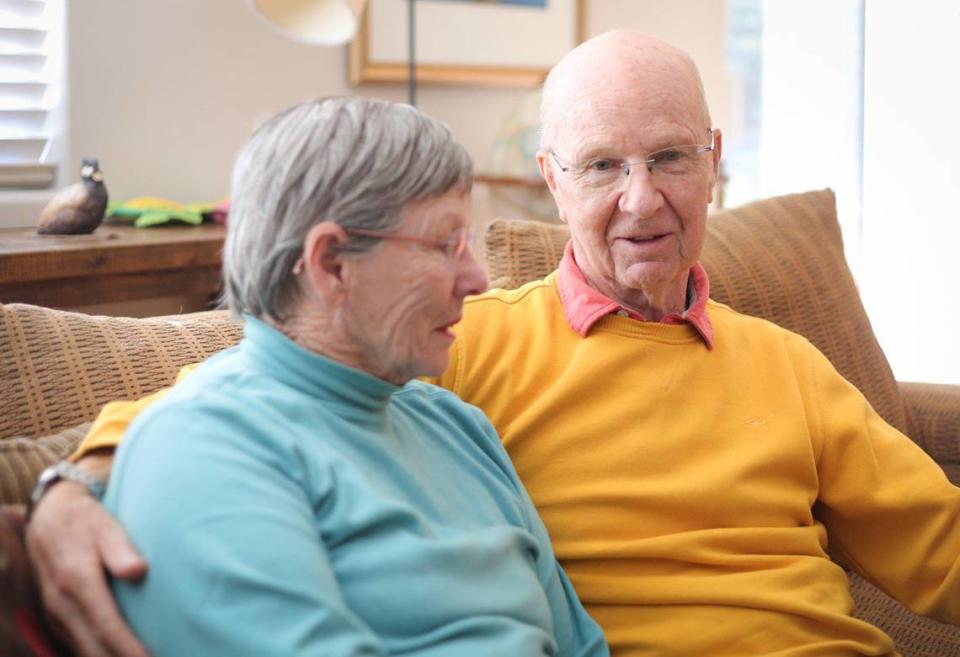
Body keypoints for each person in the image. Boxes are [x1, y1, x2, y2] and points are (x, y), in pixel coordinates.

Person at [28, 30, 960, 657]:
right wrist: (70, 483)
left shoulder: (789, 363)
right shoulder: (461, 342)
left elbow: (941, 547)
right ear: (554, 180)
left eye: (670, 158)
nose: (642, 199)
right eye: (603, 166)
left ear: (714, 162)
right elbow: (268, 377)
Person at [27, 96, 608, 657]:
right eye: (445, 244)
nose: (478, 278)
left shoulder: (457, 425)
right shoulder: (202, 451)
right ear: (332, 264)